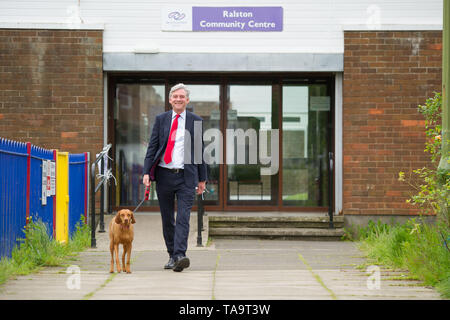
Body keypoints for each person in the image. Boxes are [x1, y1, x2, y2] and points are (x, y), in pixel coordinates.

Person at [142, 83, 207, 272]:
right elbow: (152, 147)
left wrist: (202, 179)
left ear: (187, 100)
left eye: (182, 96)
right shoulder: (161, 119)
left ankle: (180, 255)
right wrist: (147, 172)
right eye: (175, 96)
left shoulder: (195, 120)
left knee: (184, 217)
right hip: (164, 175)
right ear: (170, 100)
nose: (178, 99)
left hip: (186, 176)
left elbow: (199, 151)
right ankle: (172, 255)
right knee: (167, 218)